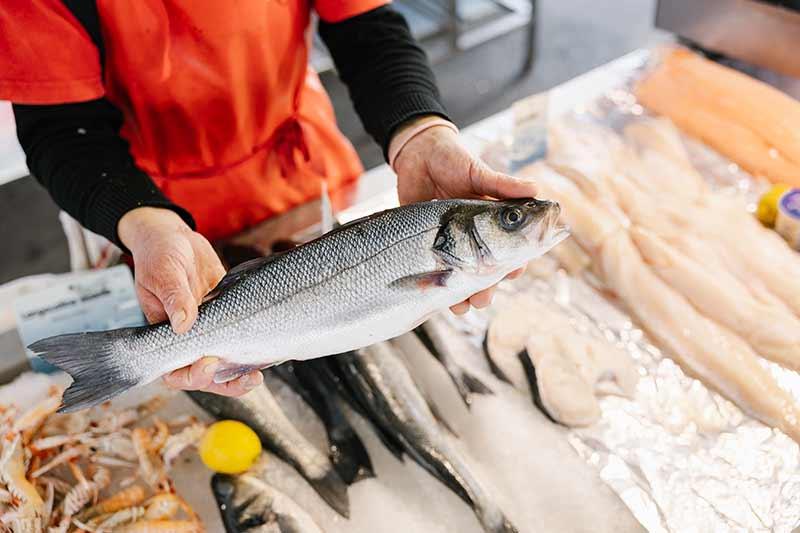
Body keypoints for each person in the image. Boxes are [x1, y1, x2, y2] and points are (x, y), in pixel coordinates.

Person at [1, 1, 536, 398]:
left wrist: (422, 135)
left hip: (290, 165)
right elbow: (61, 129)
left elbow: (367, 29)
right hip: (136, 195)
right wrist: (145, 224)